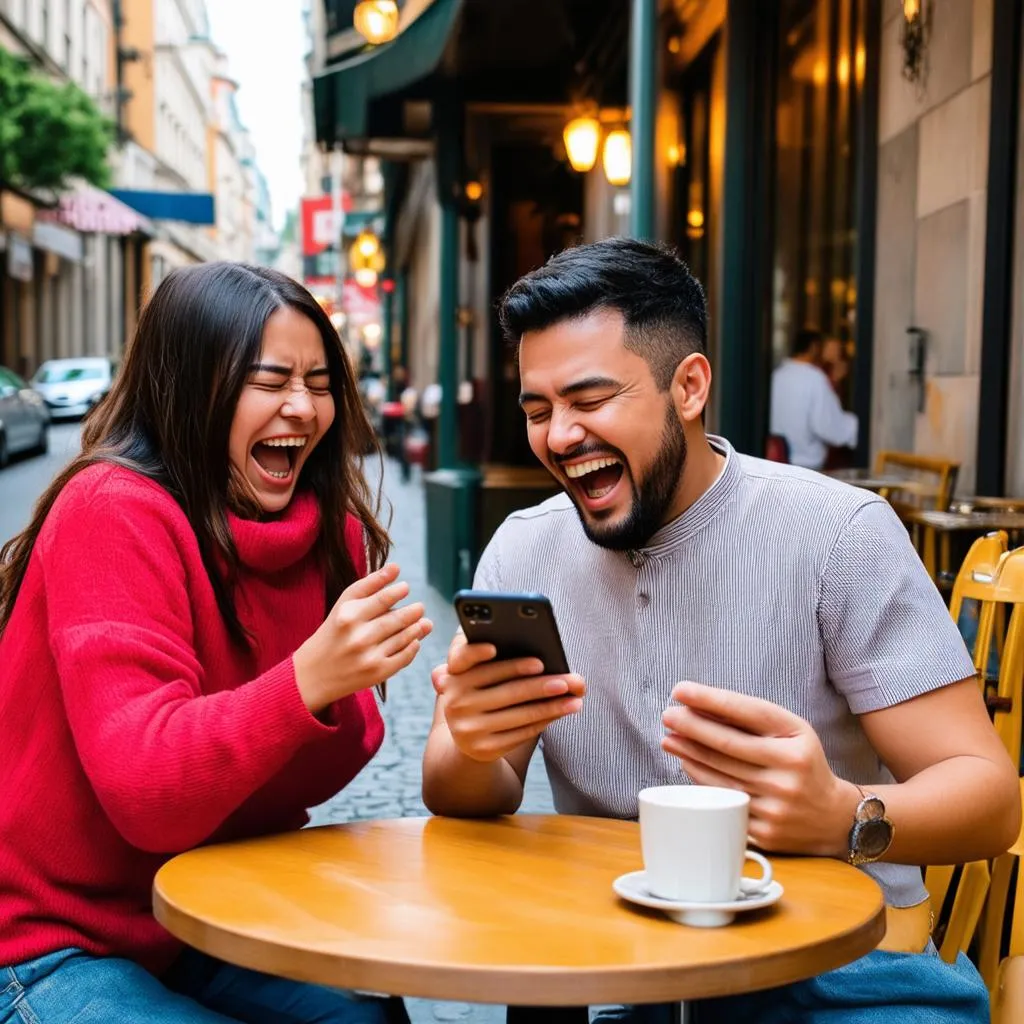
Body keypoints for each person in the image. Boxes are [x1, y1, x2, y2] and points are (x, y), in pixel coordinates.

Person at [422, 238, 1019, 1023]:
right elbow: (468, 792)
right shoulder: (525, 549)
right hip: (630, 974)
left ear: (689, 387)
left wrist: (840, 815)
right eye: (539, 410)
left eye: (591, 399)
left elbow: (988, 797)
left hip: (845, 975)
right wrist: (467, 744)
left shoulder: (838, 533)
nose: (559, 436)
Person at [0, 263, 432, 1023]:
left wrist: (354, 690)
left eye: (320, 380)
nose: (302, 407)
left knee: (368, 1015)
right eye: (270, 381)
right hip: (48, 940)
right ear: (191, 386)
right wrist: (306, 680)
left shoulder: (325, 531)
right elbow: (146, 795)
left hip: (202, 917)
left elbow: (329, 760)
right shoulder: (112, 511)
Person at [769, 327, 858, 471]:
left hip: (776, 463)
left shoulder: (777, 375)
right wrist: (859, 427)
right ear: (814, 348)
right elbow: (828, 426)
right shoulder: (815, 378)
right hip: (806, 467)